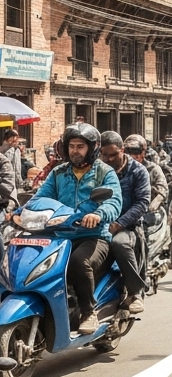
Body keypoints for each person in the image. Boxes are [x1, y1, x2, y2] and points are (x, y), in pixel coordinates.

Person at [25, 124, 123, 334]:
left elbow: (114, 201)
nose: (75, 151)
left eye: (80, 146)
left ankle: (88, 312)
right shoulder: (58, 173)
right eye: (71, 146)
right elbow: (39, 198)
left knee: (78, 262)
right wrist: (19, 212)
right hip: (60, 235)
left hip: (94, 236)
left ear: (92, 148)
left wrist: (98, 214)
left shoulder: (104, 172)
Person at [99, 132, 151, 314]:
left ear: (122, 150)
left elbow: (142, 203)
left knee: (119, 243)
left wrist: (119, 224)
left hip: (128, 227)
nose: (108, 159)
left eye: (113, 155)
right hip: (99, 223)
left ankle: (135, 293)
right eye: (104, 155)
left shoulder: (138, 171)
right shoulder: (98, 170)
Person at [124, 135, 168, 212]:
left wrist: (155, 204)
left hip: (148, 211)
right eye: (128, 152)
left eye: (136, 152)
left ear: (143, 153)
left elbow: (163, 190)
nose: (132, 156)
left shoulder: (153, 169)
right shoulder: (120, 169)